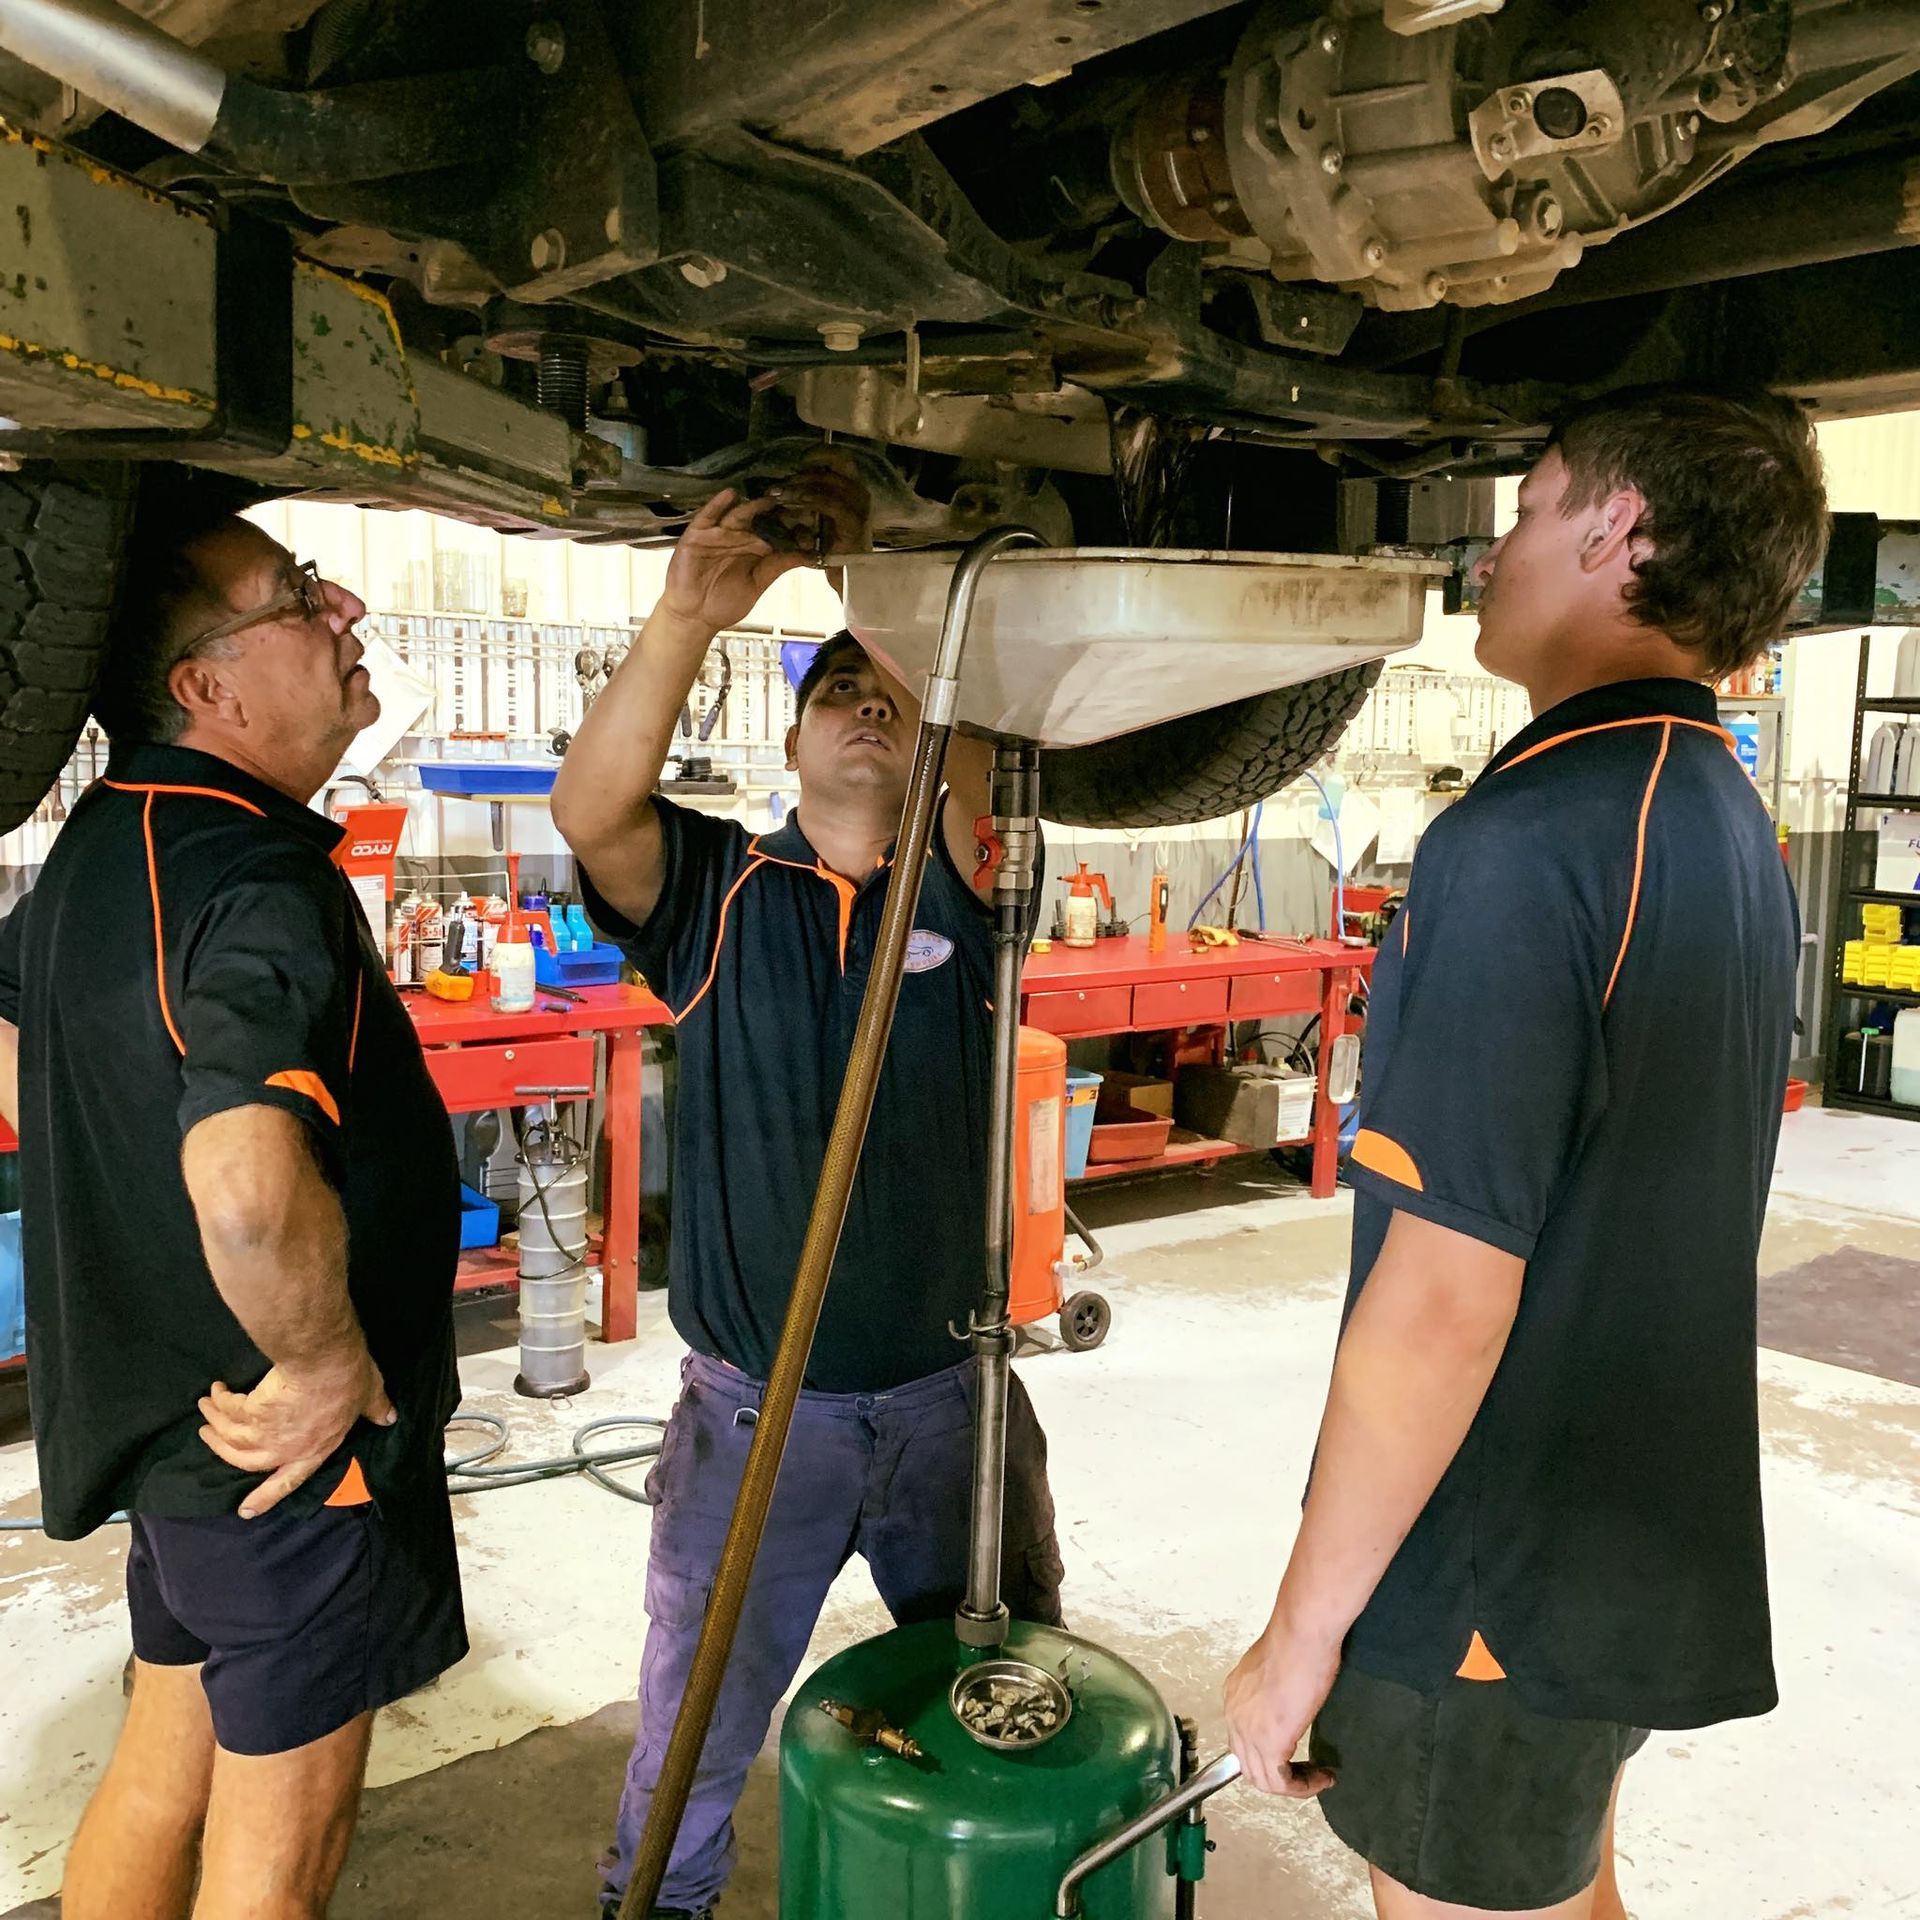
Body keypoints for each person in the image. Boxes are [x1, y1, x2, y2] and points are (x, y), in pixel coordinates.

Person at [1223, 387, 1828, 1919]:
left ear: (1617, 530)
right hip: (1616, 1540)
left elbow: (1443, 1303)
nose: (1492, 544)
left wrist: (1302, 1635)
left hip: (1494, 1566)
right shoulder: (1712, 812)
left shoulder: (1523, 839)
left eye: (1533, 499)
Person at [552, 467, 1065, 1920]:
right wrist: (684, 619)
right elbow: (594, 808)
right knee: (699, 1725)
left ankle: (1007, 1890)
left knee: (1009, 1692)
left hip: (949, 1403)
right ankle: (659, 1902)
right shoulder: (716, 888)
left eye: (887, 690)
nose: (864, 705)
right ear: (786, 737)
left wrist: (904, 601)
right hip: (752, 1419)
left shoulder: (970, 893)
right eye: (833, 687)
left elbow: (973, 744)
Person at [0, 497, 467, 1920]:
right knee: (277, 1866)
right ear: (210, 688)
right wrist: (324, 1360)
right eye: (303, 595)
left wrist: (122, 1166)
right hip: (285, 1462)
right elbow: (250, 1193)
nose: (348, 616)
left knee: (161, 1771)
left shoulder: (106, 843)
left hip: (178, 1454)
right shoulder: (259, 881)